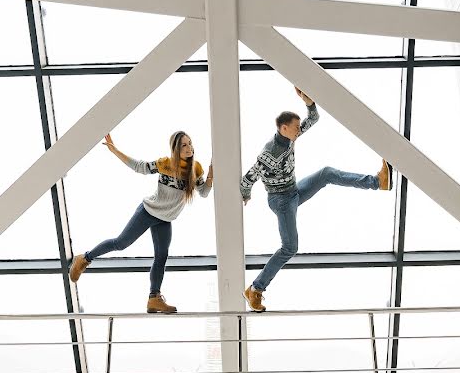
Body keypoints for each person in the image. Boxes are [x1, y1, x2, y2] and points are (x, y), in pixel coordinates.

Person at [240, 87, 392, 312]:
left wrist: (309, 102)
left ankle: (378, 182)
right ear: (283, 128)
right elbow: (249, 177)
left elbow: (314, 118)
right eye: (295, 127)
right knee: (290, 247)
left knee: (327, 173)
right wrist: (245, 194)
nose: (298, 130)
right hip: (281, 201)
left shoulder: (289, 137)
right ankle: (255, 289)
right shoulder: (269, 153)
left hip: (293, 191)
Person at [70, 131, 212, 313]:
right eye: (184, 145)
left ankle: (154, 298)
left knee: (161, 257)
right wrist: (115, 151)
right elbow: (140, 167)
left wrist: (210, 176)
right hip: (148, 211)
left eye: (190, 143)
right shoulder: (165, 164)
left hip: (165, 220)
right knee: (120, 243)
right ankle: (84, 258)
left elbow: (204, 192)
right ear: (175, 149)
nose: (189, 148)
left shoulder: (196, 169)